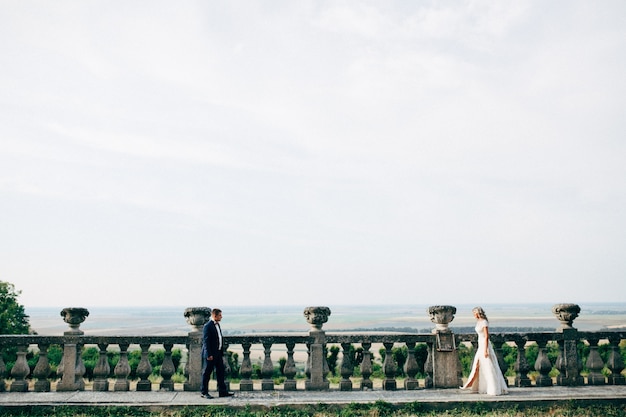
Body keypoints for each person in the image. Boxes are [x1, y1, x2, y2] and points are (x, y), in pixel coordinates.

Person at [460, 307, 508, 395]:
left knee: (489, 366)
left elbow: (486, 336)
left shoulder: (484, 322)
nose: (473, 315)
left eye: (474, 313)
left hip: (484, 345)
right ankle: (474, 385)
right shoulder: (478, 322)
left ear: (478, 313)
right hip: (480, 345)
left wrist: (486, 350)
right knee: (478, 365)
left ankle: (493, 388)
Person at [200, 308, 234, 398]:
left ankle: (222, 391)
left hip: (218, 353)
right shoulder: (208, 326)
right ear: (215, 315)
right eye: (220, 315)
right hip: (210, 354)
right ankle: (204, 392)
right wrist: (208, 354)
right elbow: (206, 341)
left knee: (220, 372)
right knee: (207, 373)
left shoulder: (217, 325)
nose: (221, 317)